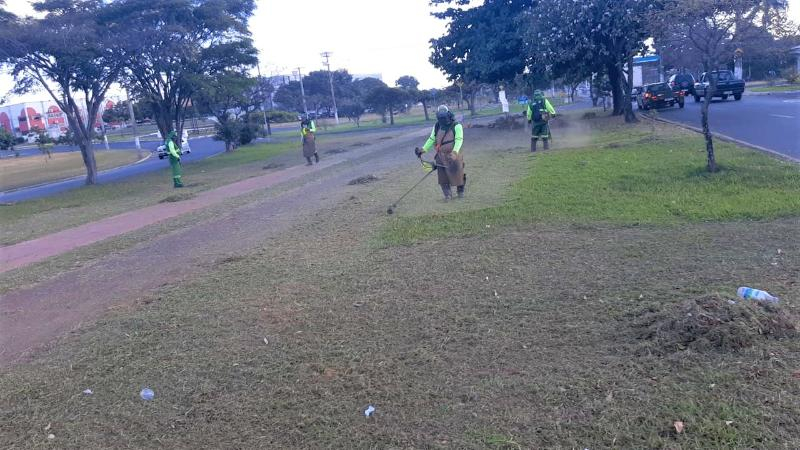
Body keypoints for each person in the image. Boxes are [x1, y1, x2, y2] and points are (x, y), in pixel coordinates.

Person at [415, 105, 465, 201]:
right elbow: (432, 139)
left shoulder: (457, 126)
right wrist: (423, 149)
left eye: (444, 118)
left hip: (454, 153)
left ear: (448, 115)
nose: (442, 120)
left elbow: (459, 140)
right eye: (440, 118)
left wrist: (454, 153)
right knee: (443, 177)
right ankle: (447, 195)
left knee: (458, 173)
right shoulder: (437, 126)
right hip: (441, 155)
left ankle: (460, 191)